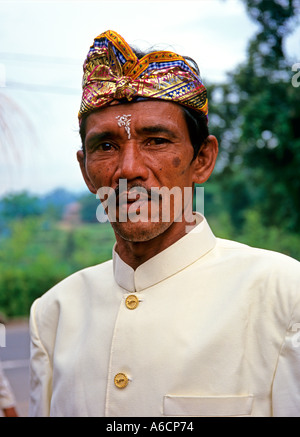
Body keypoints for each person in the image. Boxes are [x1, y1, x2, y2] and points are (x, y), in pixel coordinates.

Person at [29, 30, 300, 417]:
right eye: (105, 146)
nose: (129, 169)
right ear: (87, 171)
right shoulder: (54, 315)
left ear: (202, 160)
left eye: (156, 140)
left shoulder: (284, 297)